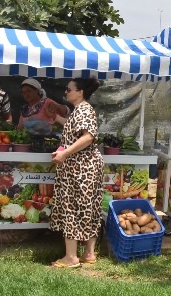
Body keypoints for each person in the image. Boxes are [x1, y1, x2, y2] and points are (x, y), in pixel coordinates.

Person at [49, 78, 104, 268]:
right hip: (86, 166)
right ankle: (89, 253)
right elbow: (76, 128)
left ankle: (71, 257)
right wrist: (57, 119)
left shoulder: (83, 110)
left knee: (71, 206)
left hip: (80, 167)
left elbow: (88, 136)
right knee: (89, 206)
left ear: (80, 92)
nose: (66, 92)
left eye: (68, 89)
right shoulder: (82, 110)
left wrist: (64, 153)